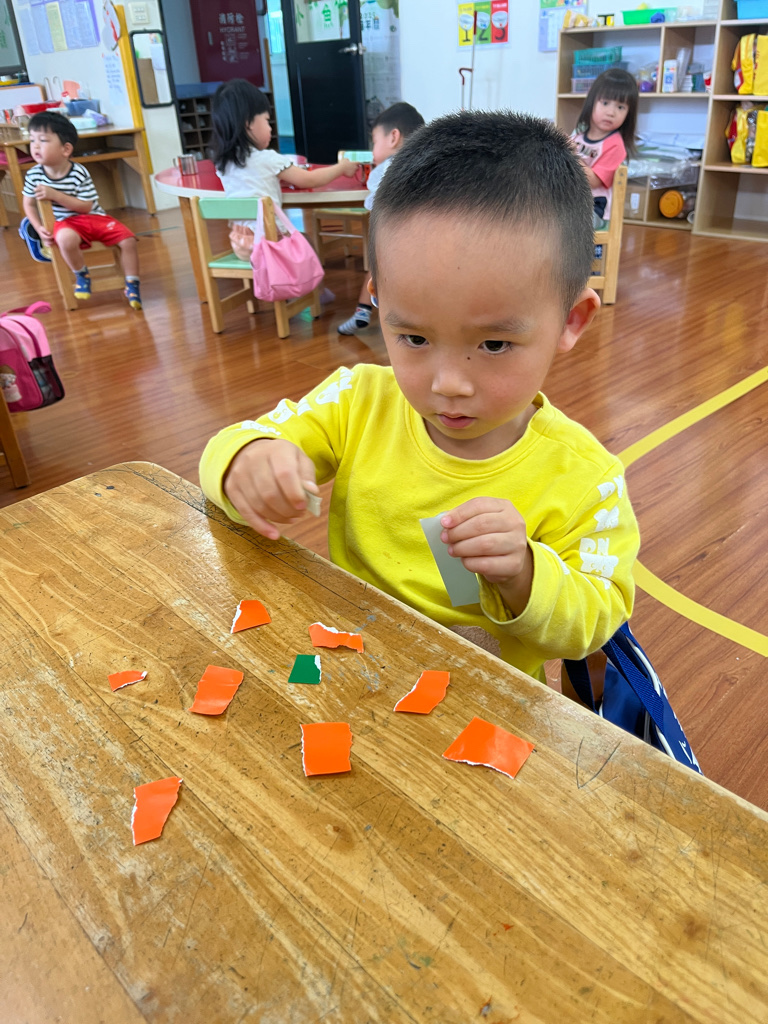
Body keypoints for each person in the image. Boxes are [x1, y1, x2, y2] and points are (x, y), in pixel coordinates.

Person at [199, 111, 640, 685]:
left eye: (493, 344)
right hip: (353, 672)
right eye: (414, 338)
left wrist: (526, 574)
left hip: (487, 709)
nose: (448, 383)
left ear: (571, 319)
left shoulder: (586, 479)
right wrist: (246, 460)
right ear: (379, 302)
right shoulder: (358, 401)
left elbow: (596, 622)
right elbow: (235, 442)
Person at [211, 79, 359, 260]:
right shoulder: (267, 159)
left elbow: (251, 182)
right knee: (305, 243)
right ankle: (312, 281)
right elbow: (309, 180)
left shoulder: (223, 165)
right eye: (266, 120)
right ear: (248, 123)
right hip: (269, 241)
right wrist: (341, 168)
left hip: (241, 244)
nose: (270, 128)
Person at [21, 112, 142, 309]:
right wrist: (39, 228)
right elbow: (29, 204)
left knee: (128, 240)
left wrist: (55, 194)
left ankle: (132, 284)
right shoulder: (34, 175)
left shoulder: (78, 172)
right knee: (65, 239)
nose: (34, 146)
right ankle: (81, 274)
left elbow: (86, 206)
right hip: (64, 223)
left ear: (66, 149)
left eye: (43, 140)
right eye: (32, 140)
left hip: (93, 217)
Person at [337, 101, 425, 336]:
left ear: (393, 137)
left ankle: (364, 311)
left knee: (378, 269)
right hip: (429, 244)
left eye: (375, 141)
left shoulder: (386, 168)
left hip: (396, 239)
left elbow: (375, 207)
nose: (373, 150)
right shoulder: (429, 162)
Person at [571, 68, 638, 228]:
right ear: (591, 101)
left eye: (620, 107)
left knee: (560, 222)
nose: (611, 112)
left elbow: (592, 181)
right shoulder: (579, 133)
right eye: (605, 103)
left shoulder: (615, 146)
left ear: (628, 113)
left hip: (594, 208)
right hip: (571, 200)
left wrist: (571, 155)